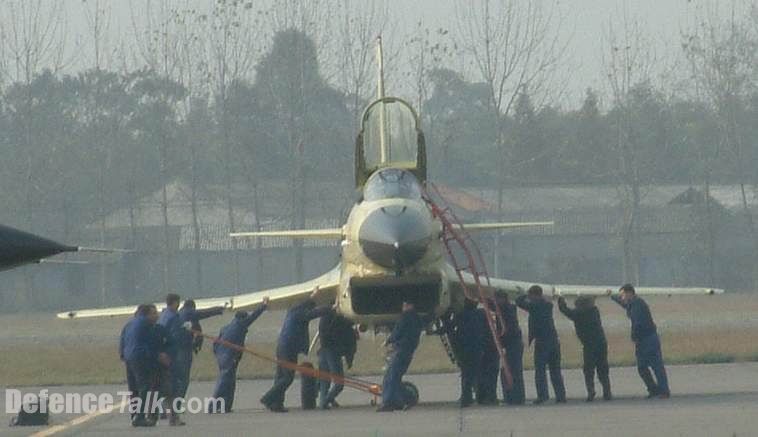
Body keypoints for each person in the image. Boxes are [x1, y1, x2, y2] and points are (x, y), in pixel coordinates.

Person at [261, 287, 332, 413]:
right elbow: (313, 314)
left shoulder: (293, 311)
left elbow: (307, 304)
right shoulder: (301, 314)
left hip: (282, 346)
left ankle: (276, 404)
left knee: (280, 376)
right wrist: (331, 308)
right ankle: (268, 398)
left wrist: (313, 296)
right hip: (289, 348)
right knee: (288, 377)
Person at [610, 284, 670, 399]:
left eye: (622, 295)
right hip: (642, 339)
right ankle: (653, 389)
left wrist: (633, 337)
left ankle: (664, 391)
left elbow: (638, 323)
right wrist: (612, 296)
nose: (622, 297)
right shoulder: (632, 303)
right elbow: (624, 304)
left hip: (648, 339)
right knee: (642, 367)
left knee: (656, 366)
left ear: (629, 293)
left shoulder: (638, 305)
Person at [210, 297, 269, 413]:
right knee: (224, 383)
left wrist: (218, 355)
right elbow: (254, 316)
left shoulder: (226, 327)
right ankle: (212, 407)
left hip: (222, 357)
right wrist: (264, 305)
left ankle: (226, 406)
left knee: (230, 382)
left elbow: (215, 344)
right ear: (243, 318)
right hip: (229, 357)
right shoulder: (241, 324)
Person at [516, 285, 566, 405]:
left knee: (540, 370)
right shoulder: (547, 305)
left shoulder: (534, 305)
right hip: (554, 340)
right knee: (555, 370)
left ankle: (542, 396)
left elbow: (519, 302)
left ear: (533, 295)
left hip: (542, 341)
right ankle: (561, 396)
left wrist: (523, 294)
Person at [558, 295, 612, 401]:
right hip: (601, 343)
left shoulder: (579, 314)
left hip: (589, 345)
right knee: (602, 368)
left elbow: (566, 311)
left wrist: (561, 301)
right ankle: (607, 391)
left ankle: (591, 391)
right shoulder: (594, 311)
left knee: (588, 369)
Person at [377, 300, 426, 412]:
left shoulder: (405, 317)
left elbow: (397, 332)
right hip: (409, 351)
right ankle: (401, 400)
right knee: (396, 376)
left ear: (410, 305)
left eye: (405, 305)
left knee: (390, 377)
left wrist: (388, 340)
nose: (403, 307)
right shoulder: (417, 318)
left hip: (401, 350)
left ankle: (388, 402)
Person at [174, 300, 225, 403]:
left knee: (177, 378)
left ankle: (172, 405)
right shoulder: (188, 312)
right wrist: (219, 309)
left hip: (177, 349)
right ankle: (176, 405)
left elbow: (197, 329)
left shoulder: (181, 315)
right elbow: (204, 313)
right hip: (183, 350)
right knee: (183, 379)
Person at [120, 304, 160, 427]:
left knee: (133, 388)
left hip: (129, 357)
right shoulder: (147, 324)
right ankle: (140, 416)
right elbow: (152, 343)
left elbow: (122, 341)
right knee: (144, 387)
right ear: (146, 314)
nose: (156, 316)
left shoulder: (129, 324)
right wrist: (156, 357)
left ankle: (135, 415)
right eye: (154, 313)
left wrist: (123, 355)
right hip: (141, 357)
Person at [317, 310, 357, 409]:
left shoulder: (325, 318)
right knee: (339, 383)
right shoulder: (345, 326)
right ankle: (326, 401)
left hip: (323, 350)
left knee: (324, 381)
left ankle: (324, 400)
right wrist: (349, 361)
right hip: (333, 352)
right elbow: (351, 346)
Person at [156, 294, 184, 425]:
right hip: (170, 355)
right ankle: (173, 415)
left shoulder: (163, 315)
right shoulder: (174, 317)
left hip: (161, 353)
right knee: (173, 384)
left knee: (161, 384)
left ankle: (162, 411)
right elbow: (174, 337)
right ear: (175, 302)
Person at [454, 300, 485, 407]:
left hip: (465, 349)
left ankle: (466, 398)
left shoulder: (461, 315)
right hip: (477, 348)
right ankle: (481, 397)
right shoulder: (481, 314)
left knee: (466, 374)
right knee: (477, 373)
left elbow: (452, 326)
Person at [497, 295, 525, 405]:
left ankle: (514, 397)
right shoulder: (509, 308)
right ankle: (515, 397)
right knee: (512, 372)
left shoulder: (506, 309)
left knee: (511, 372)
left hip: (512, 345)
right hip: (513, 344)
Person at [476, 305, 499, 405]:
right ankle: (491, 397)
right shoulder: (491, 330)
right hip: (491, 354)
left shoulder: (481, 330)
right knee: (491, 377)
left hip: (485, 354)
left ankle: (483, 397)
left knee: (483, 376)